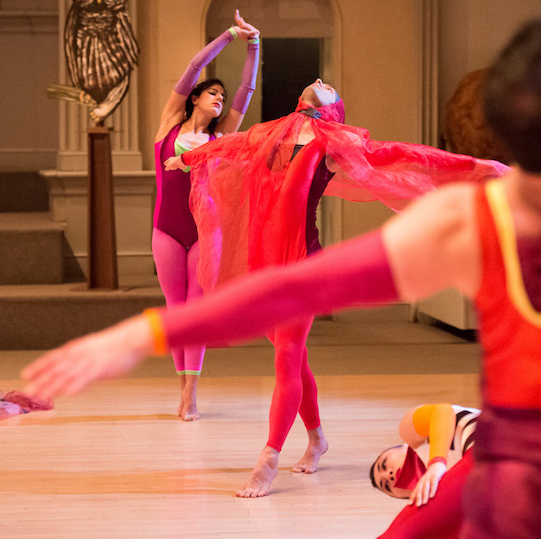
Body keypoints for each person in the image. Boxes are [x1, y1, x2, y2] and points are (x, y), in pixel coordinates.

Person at [21, 18, 541, 536]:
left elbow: (313, 267)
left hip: (539, 489)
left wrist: (142, 334)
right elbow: (412, 168)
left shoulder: (460, 219)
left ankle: (309, 450)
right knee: (320, 371)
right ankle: (325, 447)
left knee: (322, 372)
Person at [162, 78, 507, 497]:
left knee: (288, 359)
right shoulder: (274, 131)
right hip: (264, 263)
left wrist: (481, 167)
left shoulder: (334, 140)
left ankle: (268, 458)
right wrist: (190, 159)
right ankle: (317, 438)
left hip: (304, 262)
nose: (323, 81)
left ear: (334, 107)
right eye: (320, 82)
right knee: (296, 359)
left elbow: (405, 155)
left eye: (332, 88)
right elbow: (231, 147)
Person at [152, 10, 259, 421]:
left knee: (195, 309)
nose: (219, 99)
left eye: (221, 96)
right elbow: (194, 67)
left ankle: (191, 392)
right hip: (165, 230)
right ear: (194, 97)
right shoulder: (166, 128)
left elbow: (246, 92)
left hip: (203, 231)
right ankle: (183, 385)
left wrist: (254, 45)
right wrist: (230, 34)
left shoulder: (221, 137)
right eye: (212, 93)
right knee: (176, 310)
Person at [371, 404, 479, 539]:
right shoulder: (439, 505)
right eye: (386, 485)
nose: (389, 475)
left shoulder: (410, 434)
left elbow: (442, 411)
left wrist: (437, 462)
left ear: (403, 447)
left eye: (384, 465)